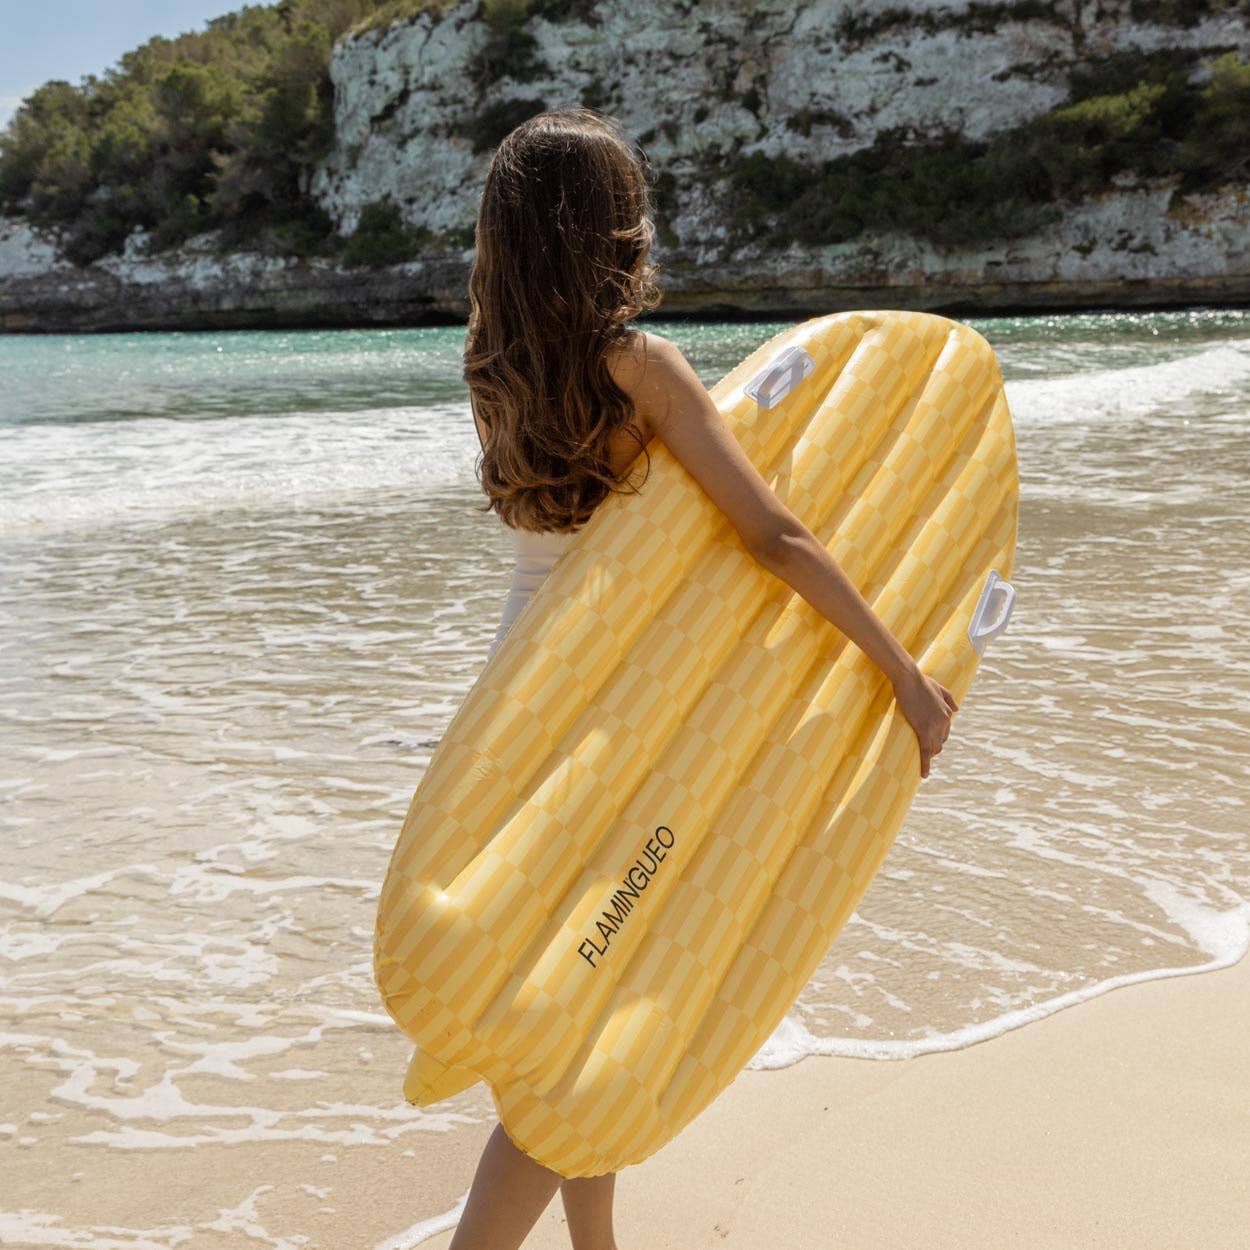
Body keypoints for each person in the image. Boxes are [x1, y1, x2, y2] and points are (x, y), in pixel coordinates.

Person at [451, 106, 957, 1250]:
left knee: (577, 998)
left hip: (511, 712)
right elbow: (772, 536)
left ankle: (598, 1246)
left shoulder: (493, 367)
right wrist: (902, 673)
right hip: (619, 722)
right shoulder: (638, 364)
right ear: (611, 225)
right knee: (579, 1021)